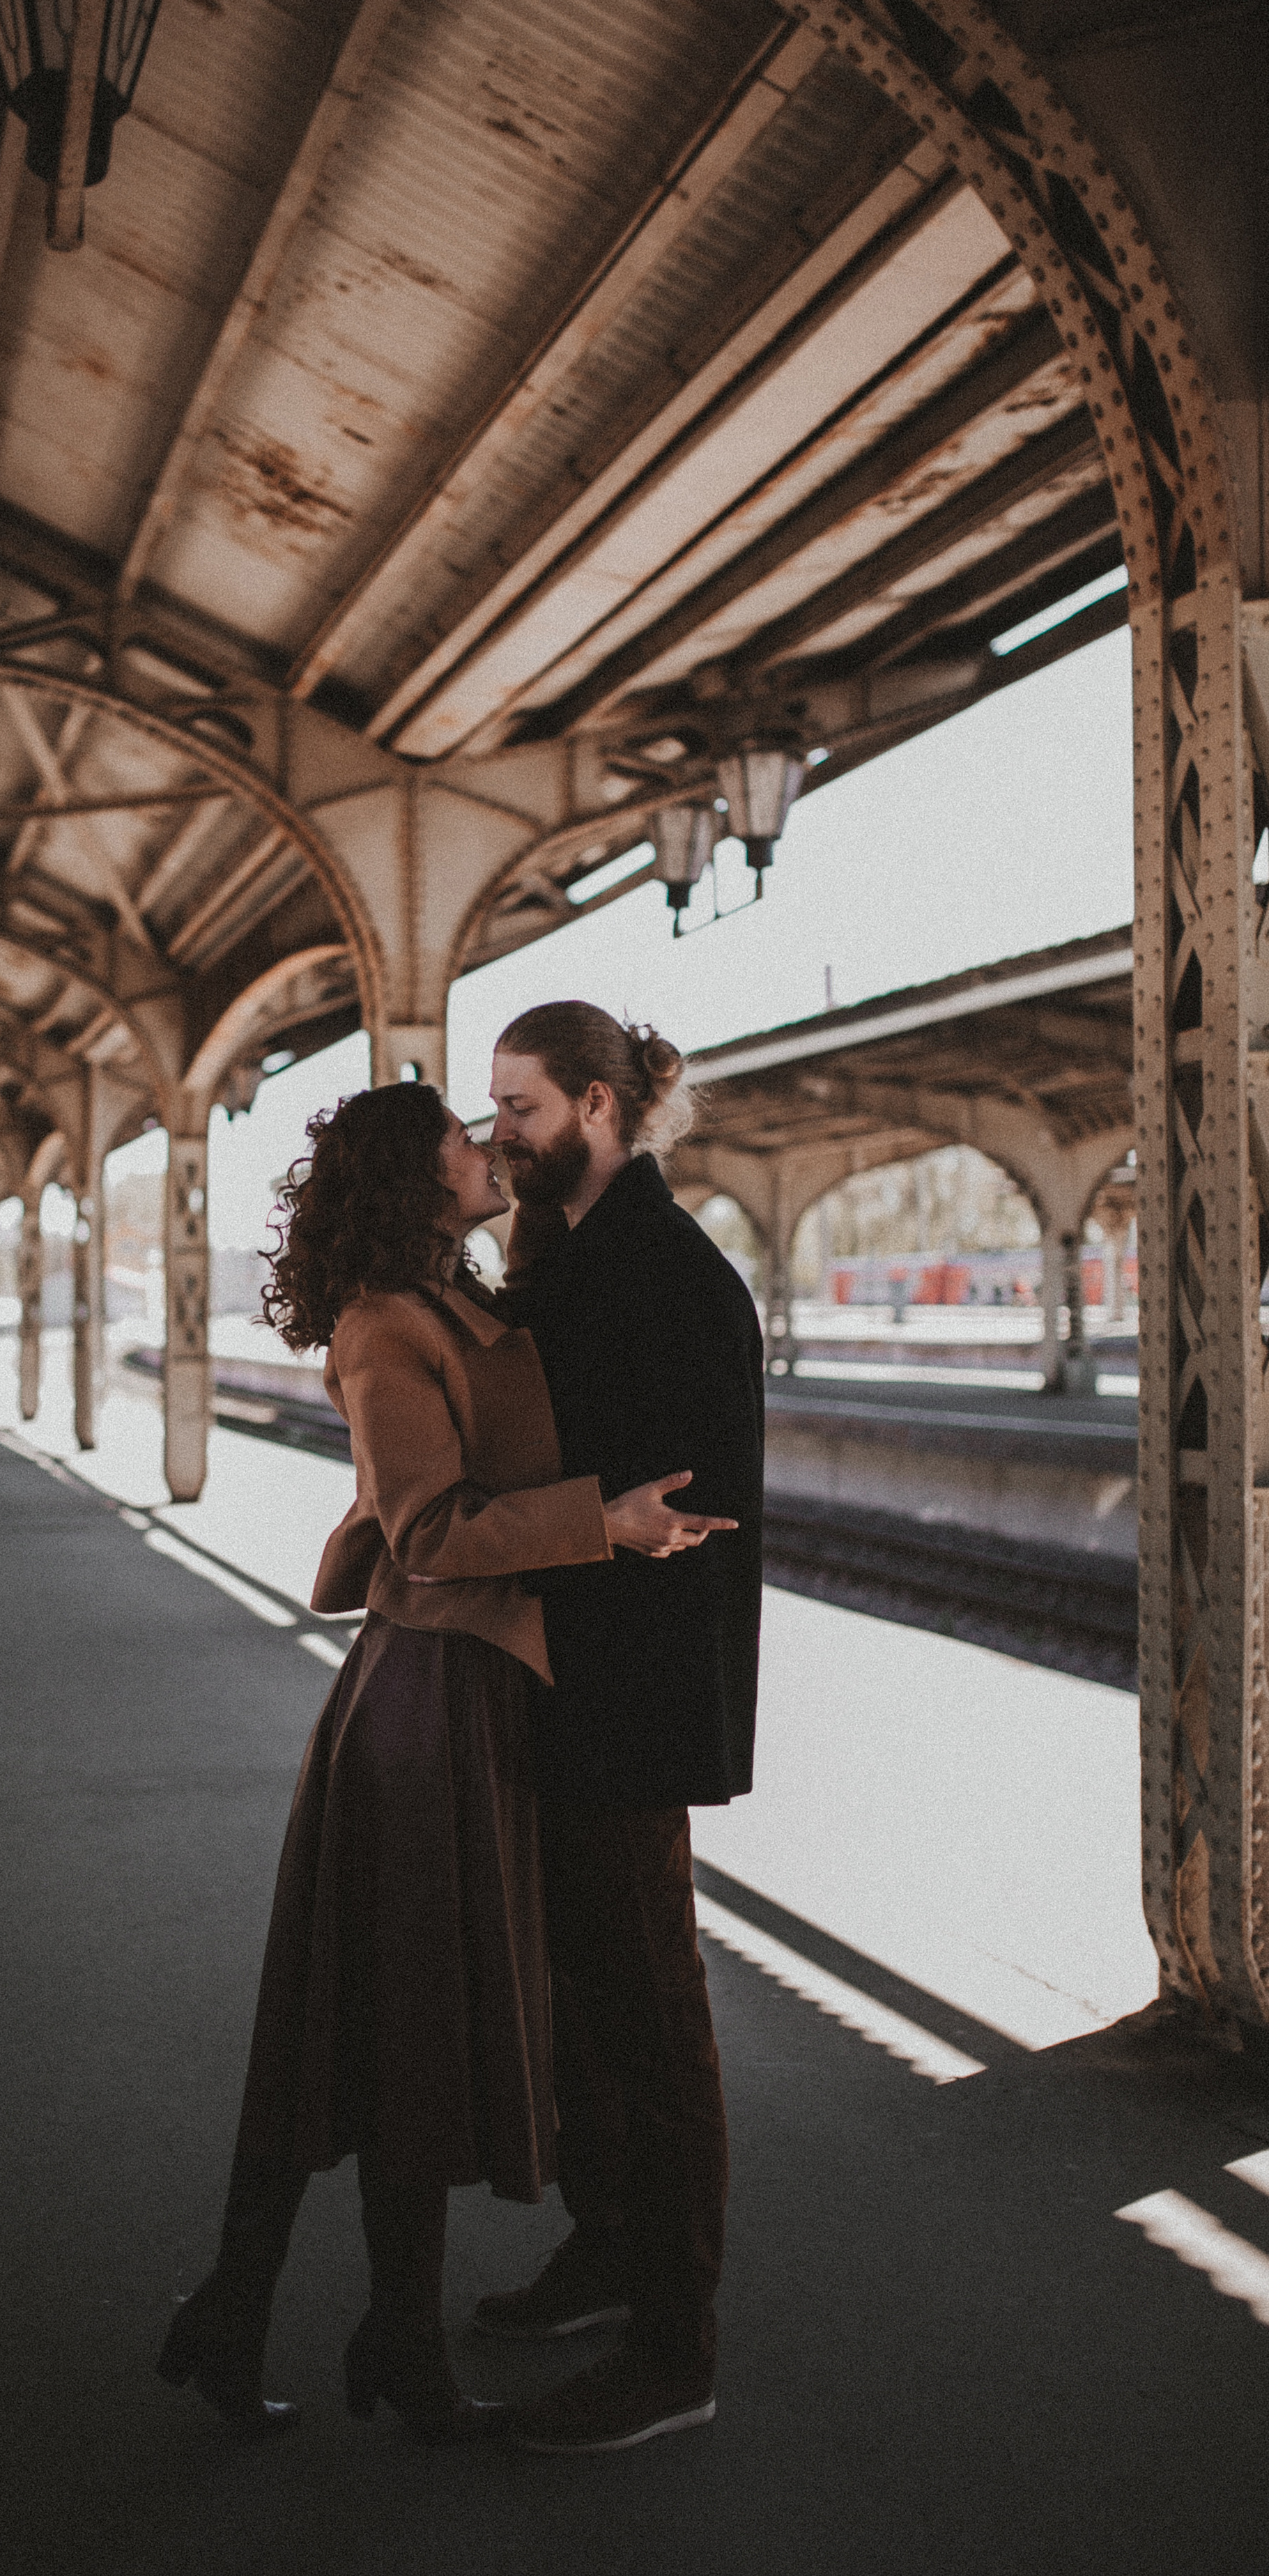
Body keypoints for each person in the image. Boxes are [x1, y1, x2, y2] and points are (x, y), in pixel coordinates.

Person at [157, 1080, 733, 2443]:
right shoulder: (385, 1326)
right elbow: (425, 1532)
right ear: (412, 1181)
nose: (486, 1148)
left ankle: (324, 2325)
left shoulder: (456, 1299)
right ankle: (344, 2331)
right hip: (425, 1709)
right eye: (462, 1141)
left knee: (384, 2021)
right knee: (380, 2018)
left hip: (473, 1695)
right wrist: (604, 1522)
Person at [475, 1002, 764, 2456]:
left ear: (597, 1104)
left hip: (630, 1700)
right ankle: (607, 2249)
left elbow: (682, 1506)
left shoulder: (663, 1268)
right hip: (570, 1685)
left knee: (651, 2013)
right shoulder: (581, 1256)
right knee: (587, 2002)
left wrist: (563, 1525)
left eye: (520, 1109)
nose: (501, 1135)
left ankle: (675, 2342)